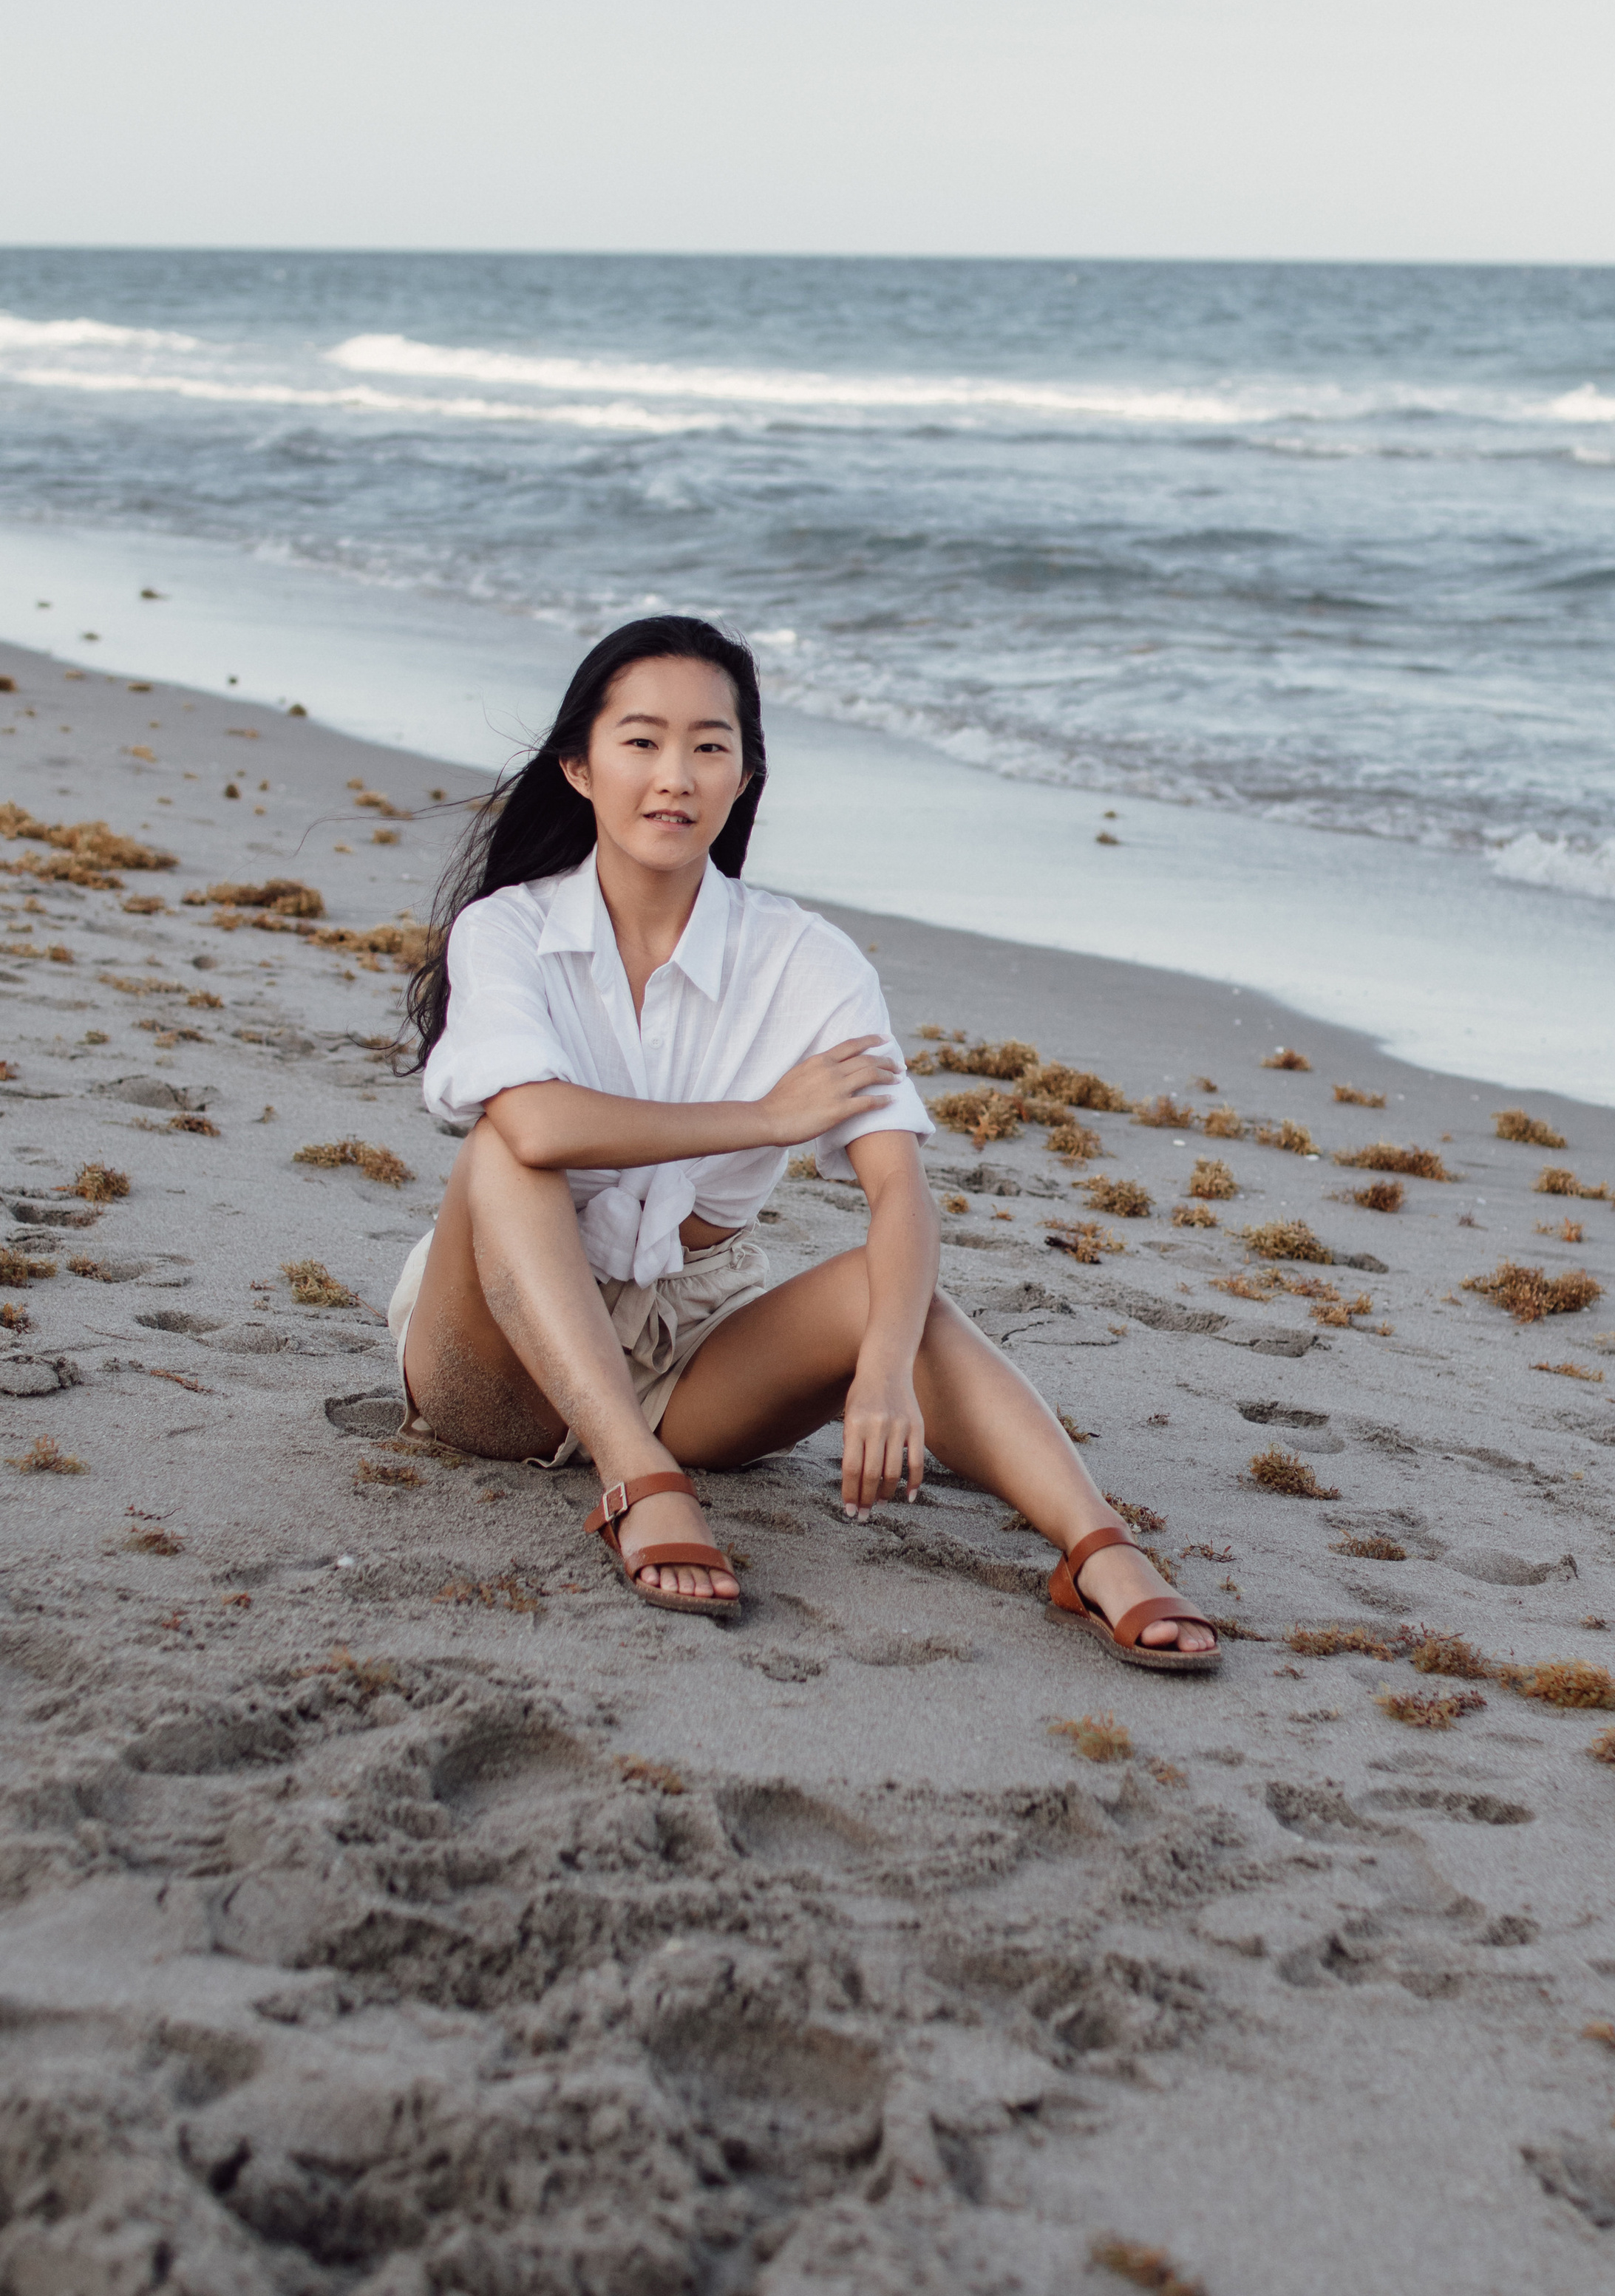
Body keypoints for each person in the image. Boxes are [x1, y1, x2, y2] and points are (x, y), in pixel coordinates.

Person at [390, 614, 1219, 1669]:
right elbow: (538, 1121)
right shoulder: (508, 929)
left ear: (745, 775)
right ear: (579, 767)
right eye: (641, 741)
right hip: (495, 1357)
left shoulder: (807, 961)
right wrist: (769, 1119)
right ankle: (636, 1484)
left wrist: (879, 1373)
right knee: (509, 1153)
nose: (675, 775)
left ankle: (1100, 1554)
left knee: (899, 1297)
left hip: (688, 1349)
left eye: (710, 745)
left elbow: (901, 1195)